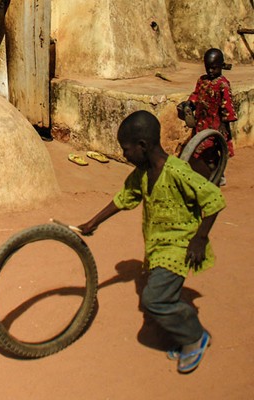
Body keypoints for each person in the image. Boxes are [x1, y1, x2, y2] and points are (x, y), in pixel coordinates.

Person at [78, 111, 226, 374]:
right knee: (160, 293)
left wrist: (200, 238)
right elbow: (124, 198)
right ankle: (184, 326)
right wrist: (93, 222)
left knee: (154, 300)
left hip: (180, 246)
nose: (124, 155)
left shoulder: (178, 172)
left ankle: (194, 336)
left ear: (143, 146)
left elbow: (213, 199)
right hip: (157, 248)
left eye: (126, 149)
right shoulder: (143, 173)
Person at [179, 48, 237, 185]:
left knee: (210, 152)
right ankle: (216, 174)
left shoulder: (223, 85)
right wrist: (189, 104)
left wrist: (224, 124)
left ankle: (216, 177)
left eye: (214, 68)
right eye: (208, 68)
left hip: (215, 124)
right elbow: (196, 95)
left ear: (221, 66)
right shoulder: (202, 81)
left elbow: (227, 105)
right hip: (201, 122)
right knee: (205, 152)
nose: (210, 71)